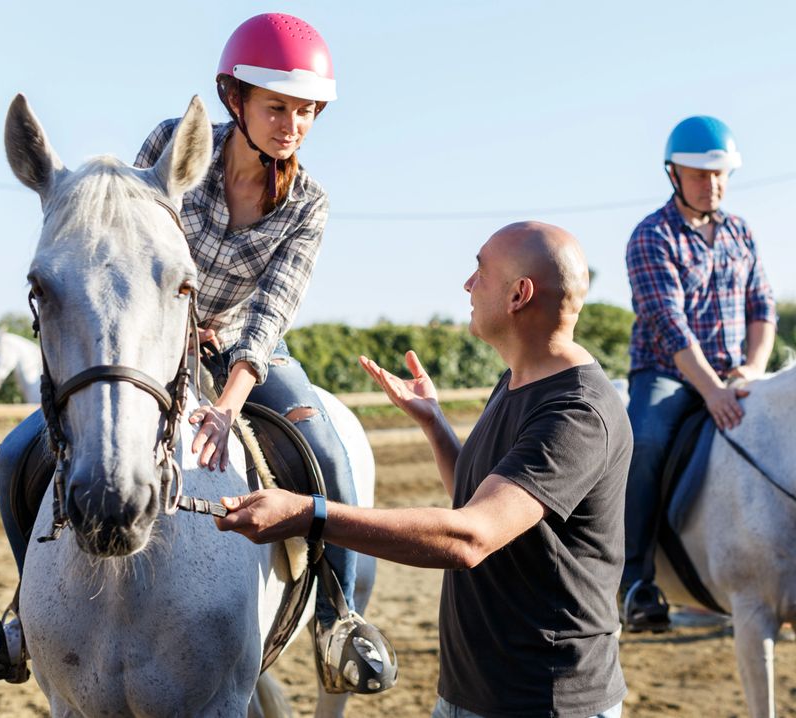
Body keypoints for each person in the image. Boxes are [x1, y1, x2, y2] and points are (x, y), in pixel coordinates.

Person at [0, 12, 391, 691]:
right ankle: (19, 616)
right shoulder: (173, 147)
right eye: (277, 107)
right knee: (12, 456)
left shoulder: (308, 204)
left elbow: (273, 306)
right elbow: (128, 249)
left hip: (246, 344)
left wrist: (229, 398)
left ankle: (338, 616)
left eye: (306, 112)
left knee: (324, 448)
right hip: (152, 339)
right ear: (235, 99)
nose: (291, 124)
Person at [215, 221, 632, 718]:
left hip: (544, 702)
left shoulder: (576, 413)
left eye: (480, 270)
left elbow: (471, 537)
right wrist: (435, 424)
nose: (468, 284)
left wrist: (309, 515)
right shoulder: (519, 380)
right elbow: (478, 502)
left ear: (520, 294)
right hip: (471, 694)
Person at [621, 115, 777, 631]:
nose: (711, 185)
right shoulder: (652, 235)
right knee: (643, 443)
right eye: (698, 174)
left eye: (719, 175)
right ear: (673, 174)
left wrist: (752, 369)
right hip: (669, 375)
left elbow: (763, 307)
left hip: (735, 369)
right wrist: (710, 389)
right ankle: (637, 582)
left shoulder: (741, 232)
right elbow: (668, 323)